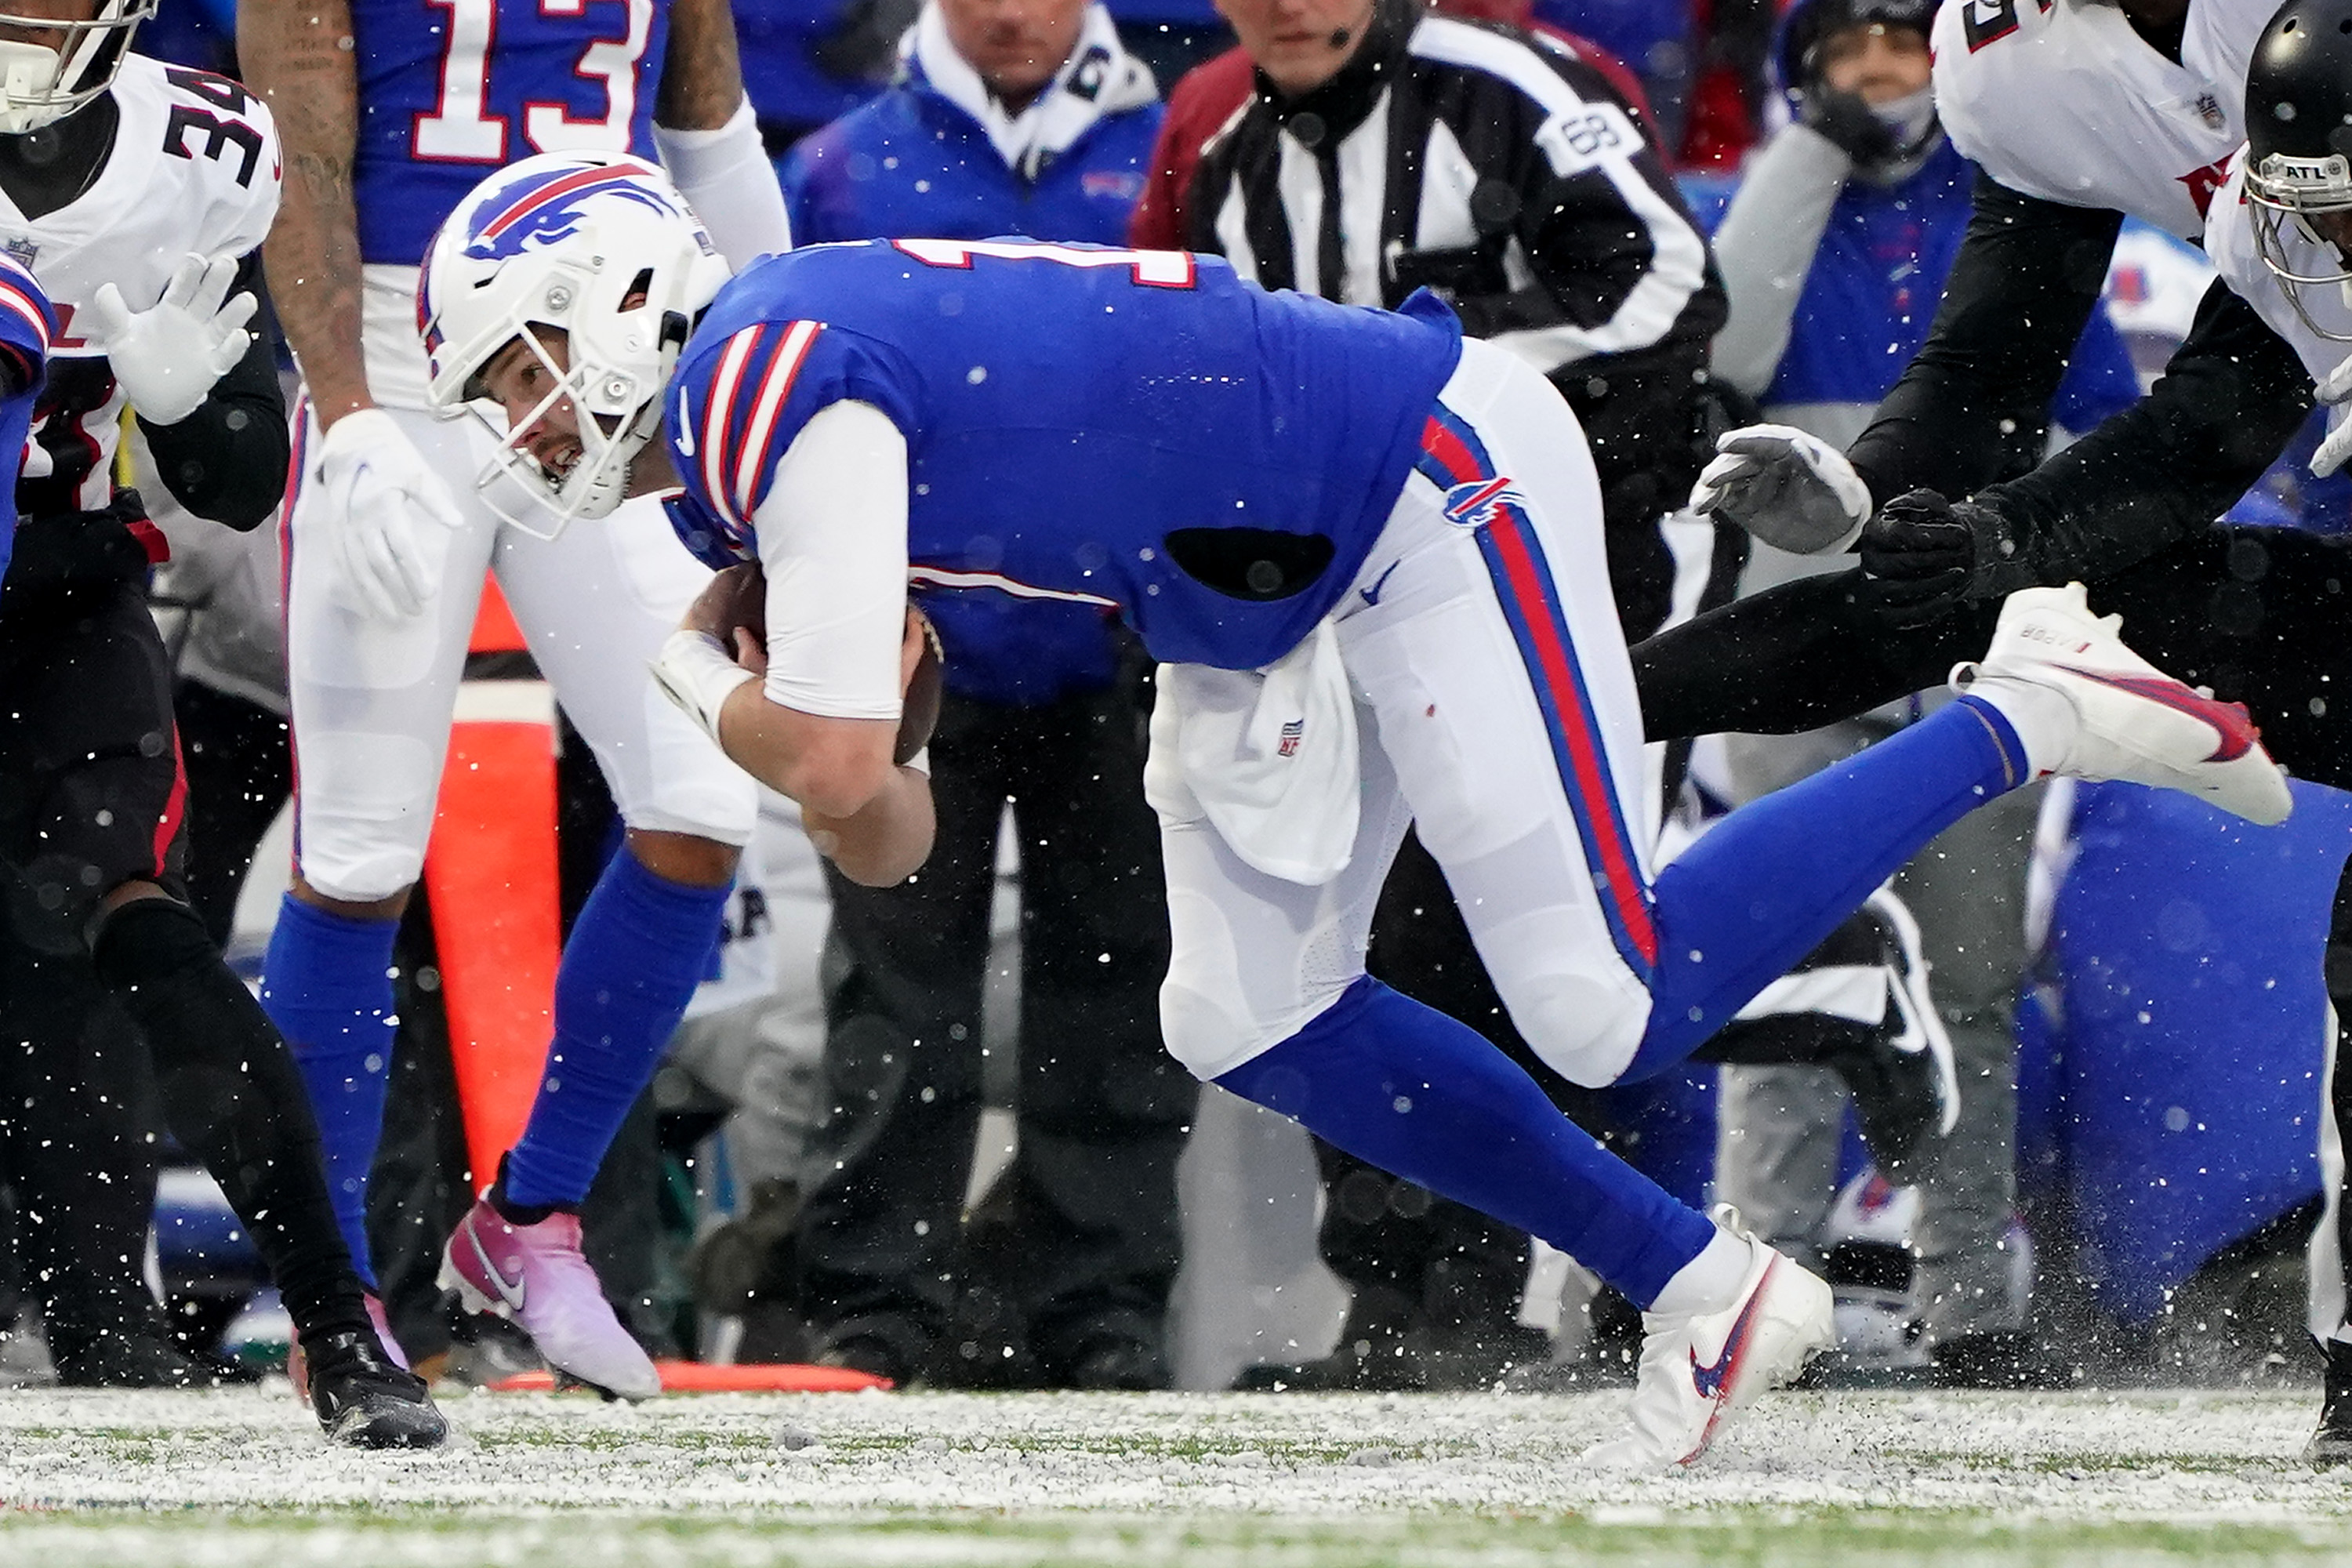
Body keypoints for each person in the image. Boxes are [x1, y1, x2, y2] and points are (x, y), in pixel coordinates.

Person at [419, 151, 2286, 1465]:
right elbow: (885, 821)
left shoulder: (770, 379)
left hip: (1419, 475)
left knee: (1603, 996)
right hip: (1254, 583)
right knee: (1237, 1008)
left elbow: (830, 778)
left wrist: (686, 674)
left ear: (619, 284)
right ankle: (1712, 1290)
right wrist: (802, 693)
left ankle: (2030, 700)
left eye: (517, 361)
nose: (521, 421)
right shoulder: (742, 437)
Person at [1631, 0, 2352, 1458]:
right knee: (1996, 597)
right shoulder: (2055, 76)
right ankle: (1580, 701)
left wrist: (2006, 536)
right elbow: (2166, 405)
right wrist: (1893, 503)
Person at [237, 0, 791, 1400]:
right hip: (404, 353)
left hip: (615, 358)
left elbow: (708, 113)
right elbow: (296, 149)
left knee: (699, 799)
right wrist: (347, 408)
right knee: (360, 847)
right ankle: (337, 1292)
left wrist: (784, 378)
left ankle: (531, 1222)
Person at [0, 4, 439, 1444]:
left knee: (138, 921)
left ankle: (335, 1321)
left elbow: (243, 479)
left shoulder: (188, 151)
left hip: (59, 601)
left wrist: (187, 405)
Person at [1687, 0, 2142, 1387]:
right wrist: (1807, 154)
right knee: (1781, 964)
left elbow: (2103, 424)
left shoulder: (2021, 198)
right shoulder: (1771, 197)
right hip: (1789, 629)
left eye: (1901, 43)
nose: (1878, 72)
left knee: (1970, 970)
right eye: (1845, 50)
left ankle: (1968, 1304)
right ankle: (1762, 1289)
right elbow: (1728, 348)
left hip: (1967, 615)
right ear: (1803, 71)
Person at [776, 0, 1191, 1389]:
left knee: (1121, 990)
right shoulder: (840, 168)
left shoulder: (1178, 149)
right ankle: (873, 1307)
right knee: (894, 1001)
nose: (1012, 13)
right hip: (909, 655)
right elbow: (778, 391)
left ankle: (1107, 1309)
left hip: (1122, 647)